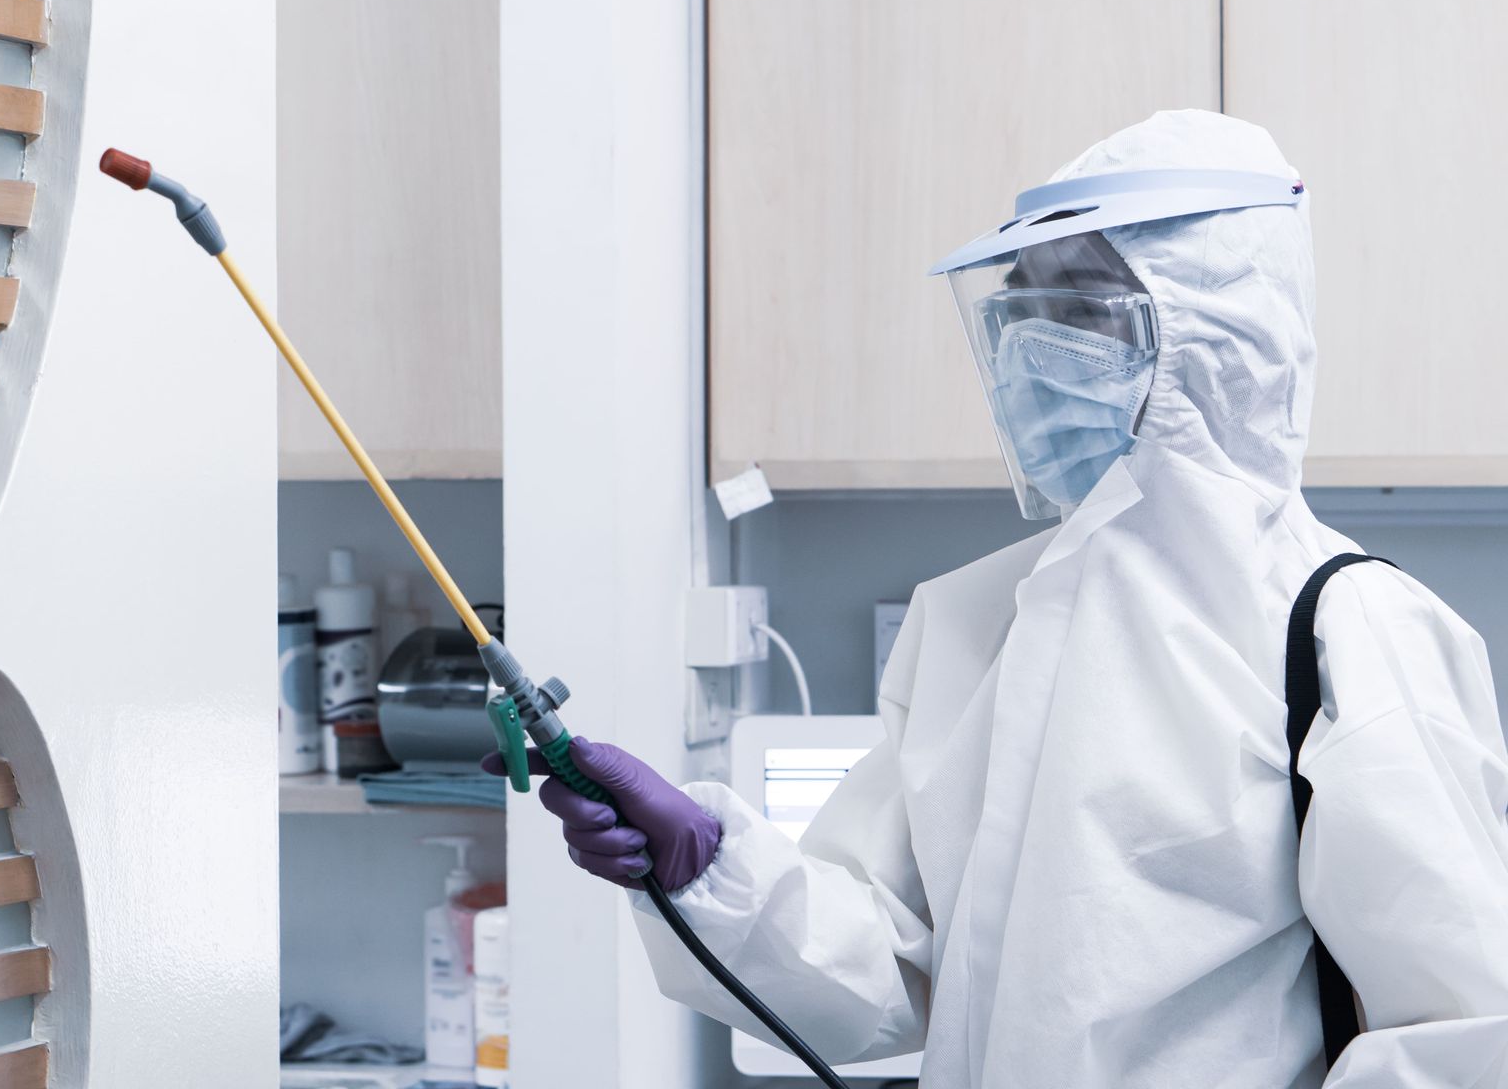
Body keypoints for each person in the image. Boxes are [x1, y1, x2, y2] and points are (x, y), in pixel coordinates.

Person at [499, 111, 1508, 1086]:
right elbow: (893, 969)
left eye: (1079, 309)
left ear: (1219, 335)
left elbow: (1467, 1033)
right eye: (1020, 310)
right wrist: (706, 865)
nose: (1031, 352)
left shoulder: (1347, 633)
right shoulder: (977, 626)